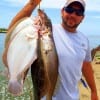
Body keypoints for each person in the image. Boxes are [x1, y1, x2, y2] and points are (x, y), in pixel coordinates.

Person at [6, 0, 98, 100]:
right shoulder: (44, 30)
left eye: (78, 12)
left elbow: (86, 65)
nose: (73, 15)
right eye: (69, 10)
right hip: (43, 96)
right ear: (62, 11)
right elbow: (13, 30)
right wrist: (32, 3)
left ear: (82, 18)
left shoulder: (84, 40)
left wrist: (94, 91)